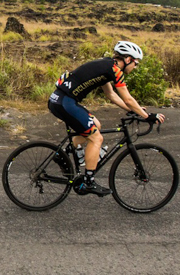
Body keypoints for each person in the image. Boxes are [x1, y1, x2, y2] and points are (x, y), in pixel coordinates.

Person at [47, 41, 165, 196]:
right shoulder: (115, 70)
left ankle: (63, 153)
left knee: (96, 124)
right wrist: (148, 116)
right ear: (128, 59)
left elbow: (111, 95)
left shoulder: (107, 66)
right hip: (65, 102)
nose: (136, 67)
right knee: (96, 138)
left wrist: (132, 110)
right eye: (136, 63)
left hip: (60, 99)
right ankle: (88, 182)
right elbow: (128, 98)